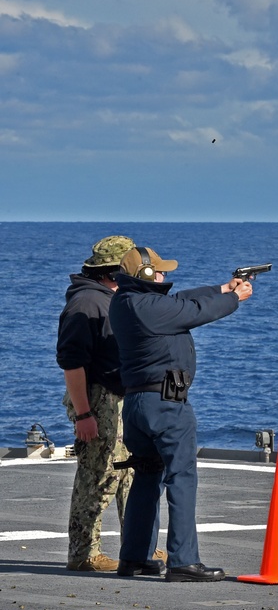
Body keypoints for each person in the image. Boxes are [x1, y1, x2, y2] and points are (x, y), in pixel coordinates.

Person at [109, 246, 252, 582]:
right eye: (158, 271)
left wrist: (222, 288)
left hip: (138, 404)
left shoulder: (127, 302)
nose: (164, 276)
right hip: (166, 404)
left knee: (147, 476)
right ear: (144, 274)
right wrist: (234, 299)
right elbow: (193, 311)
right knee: (181, 478)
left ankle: (134, 557)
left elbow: (183, 300)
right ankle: (183, 561)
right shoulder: (147, 307)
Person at [57, 235, 167, 572]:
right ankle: (84, 554)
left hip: (122, 397)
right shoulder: (87, 304)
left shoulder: (109, 299)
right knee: (98, 475)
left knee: (129, 474)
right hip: (99, 398)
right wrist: (84, 413)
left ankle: (138, 545)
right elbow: (72, 363)